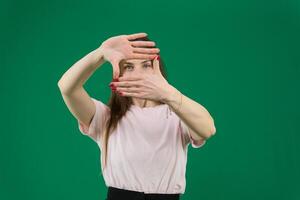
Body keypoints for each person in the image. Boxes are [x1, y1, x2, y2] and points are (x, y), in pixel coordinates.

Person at [57, 32, 216, 200]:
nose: (138, 74)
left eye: (146, 65)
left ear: (158, 69)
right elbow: (67, 88)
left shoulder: (177, 114)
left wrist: (168, 93)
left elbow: (208, 129)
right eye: (128, 67)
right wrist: (100, 53)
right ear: (118, 74)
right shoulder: (106, 117)